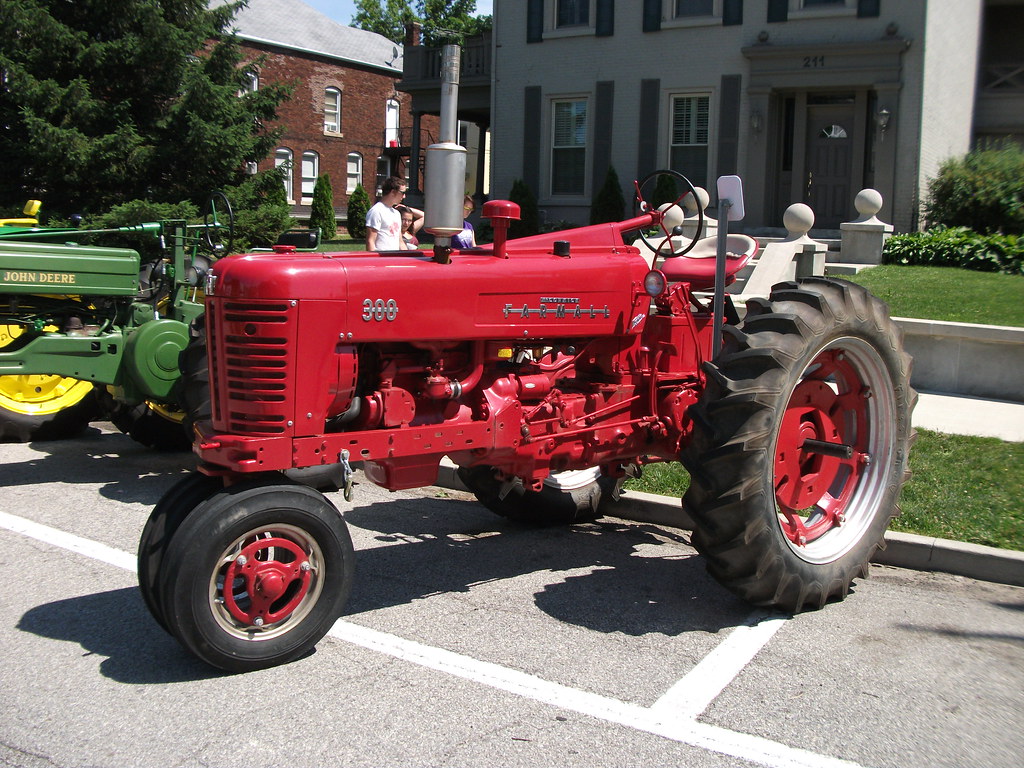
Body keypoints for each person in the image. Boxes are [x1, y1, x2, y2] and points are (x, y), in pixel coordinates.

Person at [365, 177, 407, 251]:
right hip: (381, 259)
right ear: (393, 192)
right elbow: (370, 241)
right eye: (402, 193)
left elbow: (400, 241)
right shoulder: (376, 211)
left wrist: (407, 258)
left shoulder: (396, 213)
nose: (404, 196)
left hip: (395, 258)